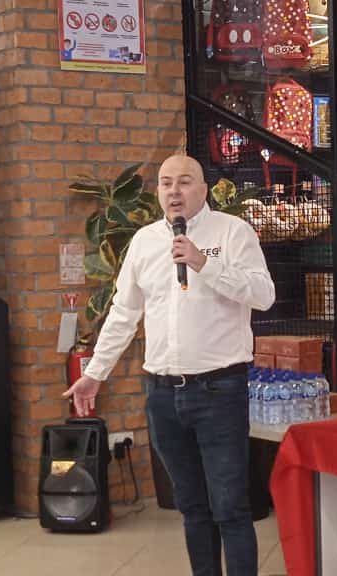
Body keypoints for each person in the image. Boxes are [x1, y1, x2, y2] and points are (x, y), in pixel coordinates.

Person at [64, 154, 275, 576]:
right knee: (192, 507)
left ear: (204, 189)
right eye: (165, 183)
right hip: (162, 394)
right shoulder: (144, 242)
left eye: (184, 181)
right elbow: (124, 314)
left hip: (219, 391)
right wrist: (94, 374)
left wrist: (203, 263)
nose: (174, 191)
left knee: (230, 507)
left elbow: (263, 295)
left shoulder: (232, 232)